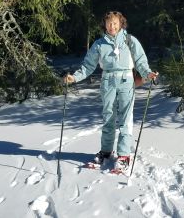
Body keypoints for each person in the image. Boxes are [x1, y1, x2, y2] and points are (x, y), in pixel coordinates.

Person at [64, 11, 158, 171]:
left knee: (126, 119)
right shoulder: (99, 44)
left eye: (115, 23)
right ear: (104, 25)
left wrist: (148, 74)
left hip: (126, 80)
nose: (112, 26)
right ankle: (106, 151)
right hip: (107, 81)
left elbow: (141, 61)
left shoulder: (130, 41)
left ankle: (123, 155)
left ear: (121, 23)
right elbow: (88, 66)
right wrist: (74, 78)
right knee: (108, 117)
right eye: (109, 23)